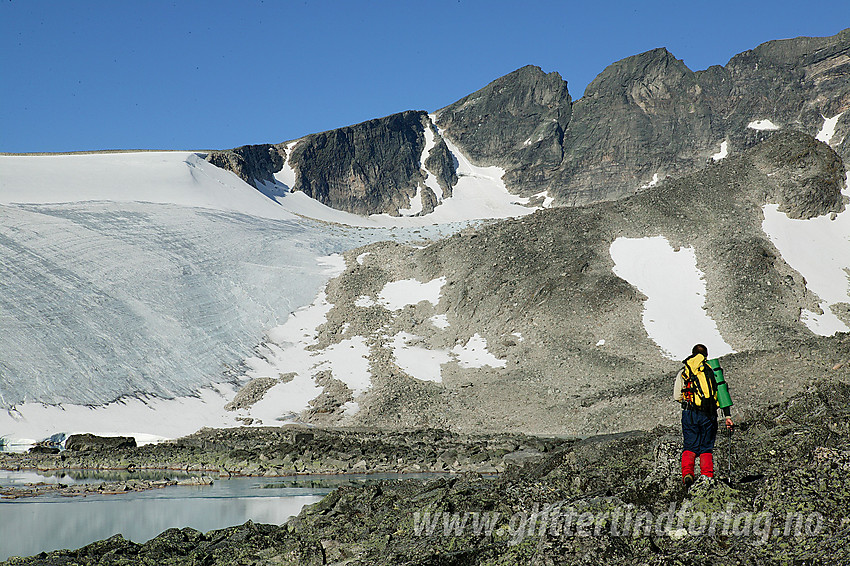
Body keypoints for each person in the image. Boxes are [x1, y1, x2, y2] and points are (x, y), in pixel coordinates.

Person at [673, 344, 734, 486]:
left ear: (692, 354)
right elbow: (722, 395)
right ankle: (707, 477)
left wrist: (689, 401)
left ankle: (687, 473)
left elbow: (677, 396)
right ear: (706, 356)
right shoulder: (713, 371)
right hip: (709, 414)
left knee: (689, 446)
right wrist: (727, 417)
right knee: (706, 447)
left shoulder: (684, 371)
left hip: (690, 413)